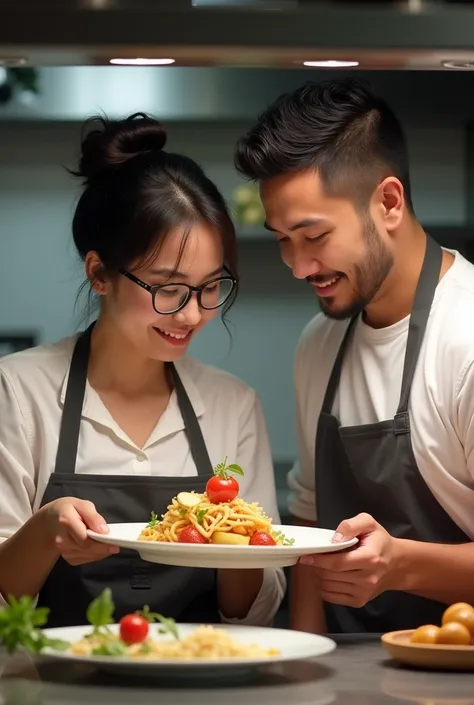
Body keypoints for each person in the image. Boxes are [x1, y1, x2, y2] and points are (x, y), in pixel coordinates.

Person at [0, 112, 285, 628]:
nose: (193, 313)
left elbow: (253, 612)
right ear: (99, 273)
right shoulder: (19, 392)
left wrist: (237, 532)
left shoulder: (232, 405)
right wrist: (45, 532)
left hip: (202, 682)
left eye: (212, 286)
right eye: (168, 288)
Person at [234, 77, 474, 634]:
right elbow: (312, 522)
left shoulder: (463, 339)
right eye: (280, 239)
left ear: (388, 202)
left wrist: (399, 565)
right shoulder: (319, 344)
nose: (297, 266)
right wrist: (305, 664)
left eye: (312, 236)